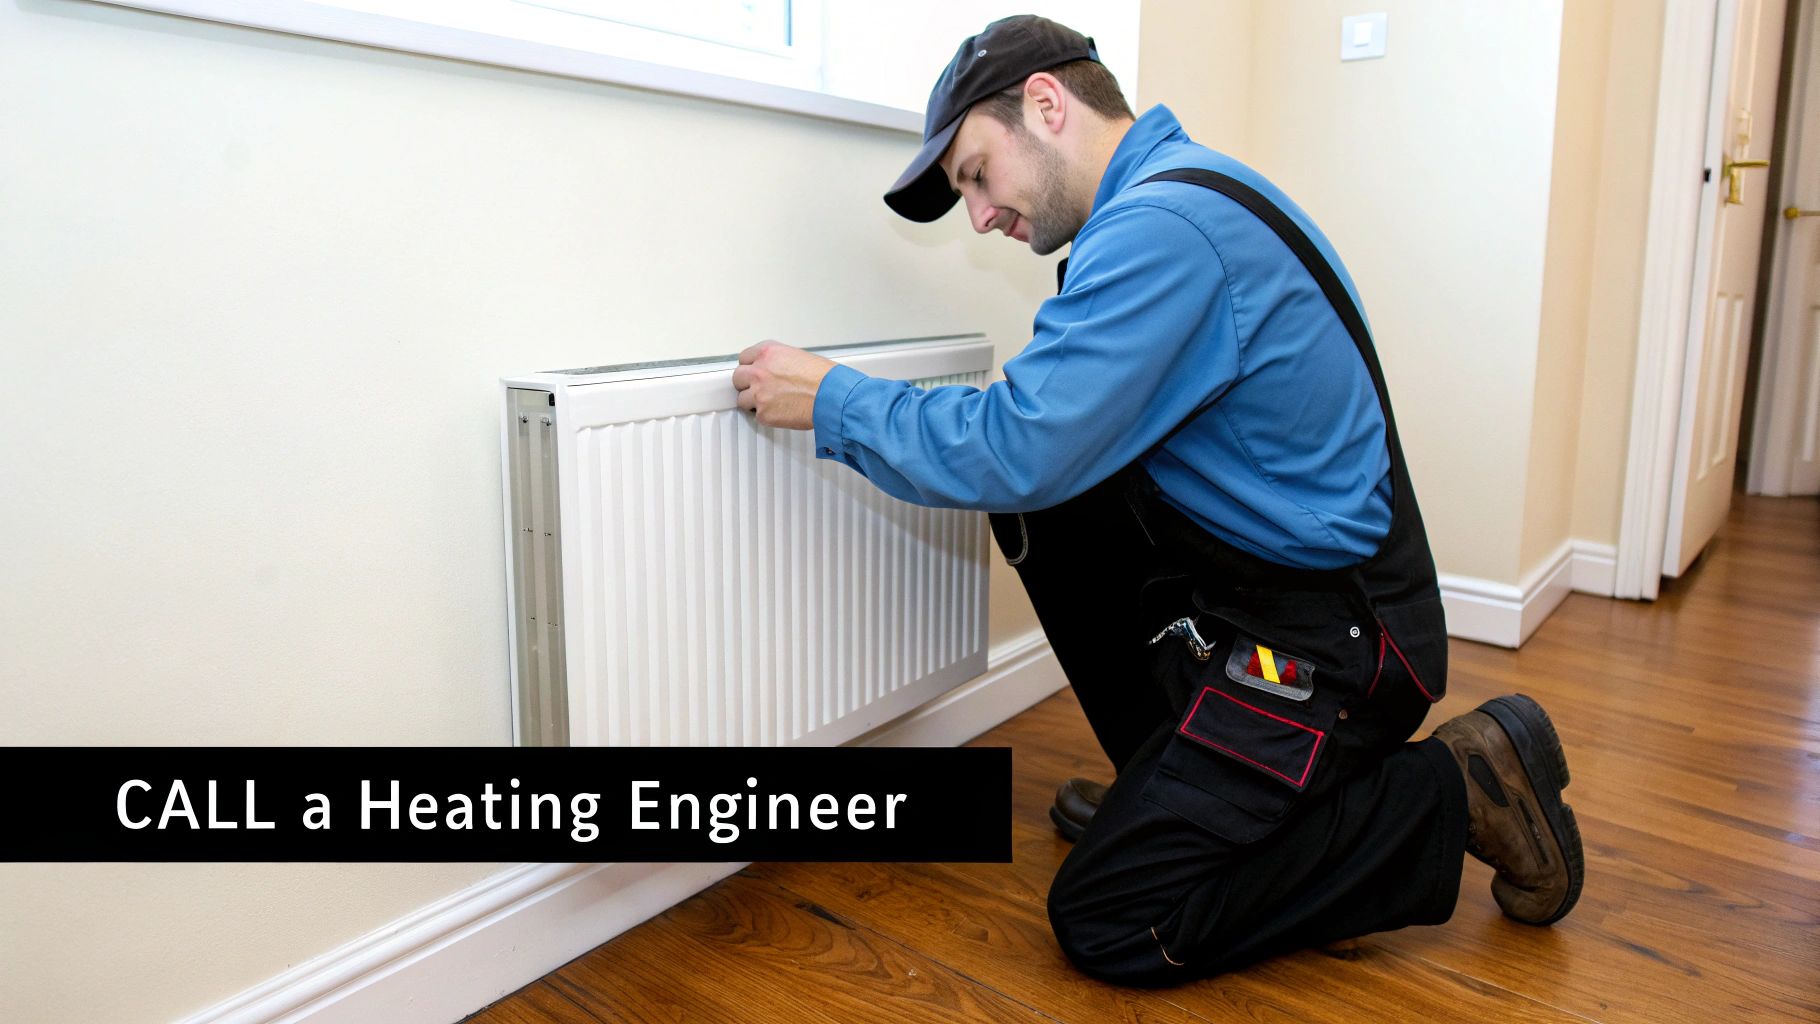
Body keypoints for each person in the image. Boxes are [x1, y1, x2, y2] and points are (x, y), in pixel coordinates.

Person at [731, 15, 1583, 984]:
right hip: (1280, 591)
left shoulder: (1160, 234)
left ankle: (1454, 790)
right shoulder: (1171, 199)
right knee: (1047, 509)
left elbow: (1013, 444)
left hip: (1337, 643)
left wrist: (831, 398)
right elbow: (1043, 455)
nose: (978, 215)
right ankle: (1194, 798)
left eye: (975, 174)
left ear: (1044, 106)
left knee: (1109, 915)